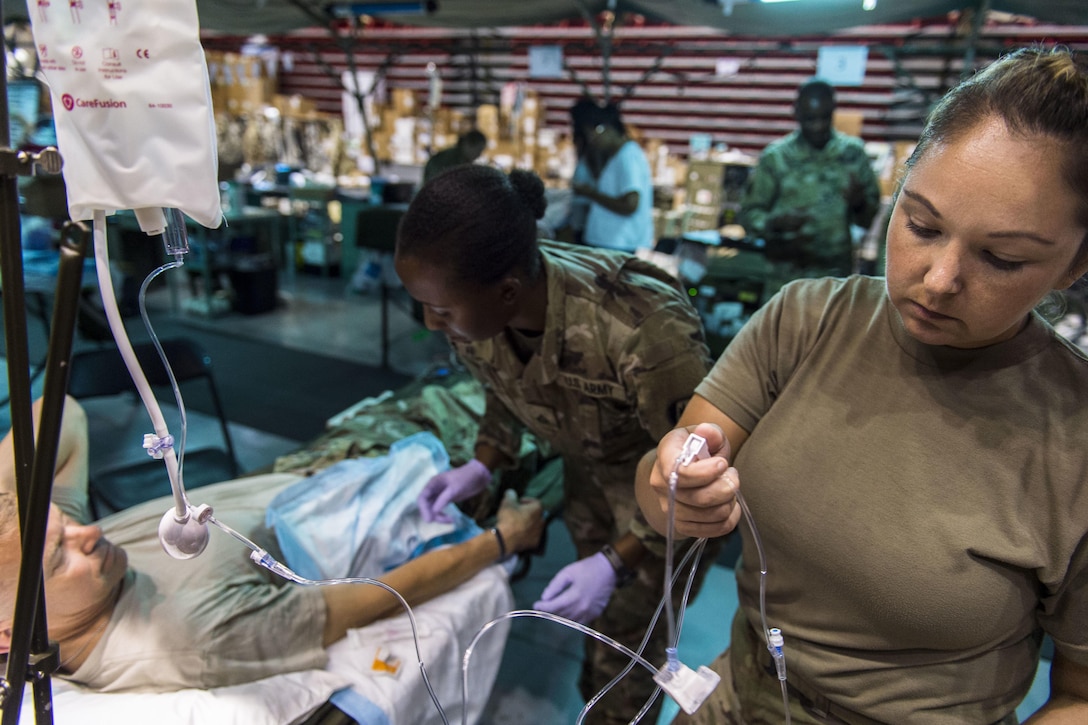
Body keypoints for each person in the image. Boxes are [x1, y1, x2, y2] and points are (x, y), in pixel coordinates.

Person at [635, 46, 1088, 724]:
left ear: (1075, 264)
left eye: (1002, 257)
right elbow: (661, 478)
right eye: (921, 224)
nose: (939, 279)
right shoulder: (804, 320)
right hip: (739, 698)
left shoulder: (1073, 435)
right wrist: (674, 489)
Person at [394, 163, 717, 724]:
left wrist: (617, 562)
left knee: (629, 659)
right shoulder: (481, 310)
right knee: (599, 637)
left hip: (667, 508)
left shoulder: (639, 326)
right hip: (590, 480)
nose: (431, 321)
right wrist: (482, 463)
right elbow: (504, 387)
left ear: (508, 291)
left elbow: (697, 472)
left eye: (442, 311)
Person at [0, 396, 545, 692]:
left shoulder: (48, 568)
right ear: (7, 636)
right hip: (397, 497)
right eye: (60, 554)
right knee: (515, 407)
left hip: (319, 467)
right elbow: (374, 596)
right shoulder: (195, 636)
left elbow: (60, 409)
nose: (89, 532)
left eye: (64, 526)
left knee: (440, 387)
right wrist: (503, 539)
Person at [738, 78, 881, 287]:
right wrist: (774, 223)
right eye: (810, 119)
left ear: (833, 111)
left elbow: (868, 220)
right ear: (796, 113)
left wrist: (860, 203)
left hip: (834, 277)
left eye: (825, 118)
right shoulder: (776, 157)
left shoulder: (852, 154)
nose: (818, 127)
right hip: (785, 276)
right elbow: (749, 215)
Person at [572, 102, 655, 253]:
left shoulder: (628, 156)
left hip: (617, 244)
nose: (592, 141)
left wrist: (591, 193)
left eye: (593, 135)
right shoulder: (616, 156)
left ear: (604, 129)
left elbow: (630, 204)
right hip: (609, 242)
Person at [422, 129, 488, 185]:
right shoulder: (447, 160)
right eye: (479, 150)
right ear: (469, 144)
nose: (479, 155)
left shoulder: (462, 160)